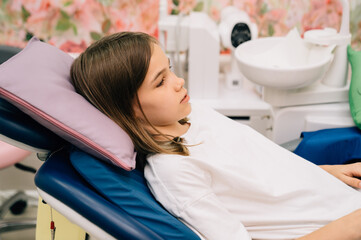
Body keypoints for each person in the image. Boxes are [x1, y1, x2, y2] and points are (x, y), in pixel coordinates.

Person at [70, 31, 361, 240]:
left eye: (169, 70)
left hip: (335, 196)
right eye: (160, 82)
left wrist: (322, 173)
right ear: (126, 108)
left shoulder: (192, 114)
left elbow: (257, 171)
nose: (178, 81)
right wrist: (350, 227)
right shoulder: (175, 171)